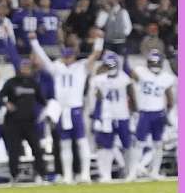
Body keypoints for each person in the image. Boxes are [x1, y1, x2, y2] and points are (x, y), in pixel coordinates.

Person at [26, 30, 103, 183]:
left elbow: (95, 55)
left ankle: (85, 174)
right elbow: (43, 59)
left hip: (75, 109)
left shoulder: (81, 67)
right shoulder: (57, 68)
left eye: (69, 57)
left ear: (74, 57)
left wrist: (99, 40)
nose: (67, 59)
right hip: (62, 110)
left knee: (81, 141)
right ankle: (67, 175)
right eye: (65, 57)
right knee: (65, 143)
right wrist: (34, 42)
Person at [0, 60, 48, 183]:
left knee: (37, 148)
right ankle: (14, 176)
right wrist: (6, 103)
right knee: (14, 150)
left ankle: (41, 174)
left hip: (29, 122)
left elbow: (42, 100)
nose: (25, 69)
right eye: (23, 67)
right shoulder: (11, 82)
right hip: (13, 122)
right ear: (19, 68)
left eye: (28, 67)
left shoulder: (33, 83)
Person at [128, 50, 175, 180]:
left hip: (158, 113)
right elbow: (130, 72)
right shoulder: (142, 73)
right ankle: (133, 172)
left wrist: (168, 112)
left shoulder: (165, 78)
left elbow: (169, 97)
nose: (154, 65)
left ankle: (154, 172)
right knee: (139, 143)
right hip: (145, 113)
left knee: (158, 144)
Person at [89, 53, 134, 182]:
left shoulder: (123, 78)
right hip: (106, 116)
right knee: (105, 146)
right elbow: (96, 97)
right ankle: (106, 174)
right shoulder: (99, 79)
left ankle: (130, 171)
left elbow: (131, 94)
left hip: (121, 115)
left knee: (127, 144)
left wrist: (133, 111)